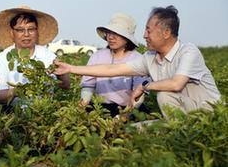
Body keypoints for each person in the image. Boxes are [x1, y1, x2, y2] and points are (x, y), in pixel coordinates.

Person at [54, 6, 221, 116]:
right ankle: (178, 136)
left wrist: (144, 87)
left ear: (166, 33)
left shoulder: (188, 52)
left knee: (164, 95)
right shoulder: (150, 57)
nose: (144, 35)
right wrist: (71, 68)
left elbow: (176, 84)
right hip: (183, 112)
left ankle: (180, 139)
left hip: (211, 114)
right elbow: (112, 70)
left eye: (149, 30)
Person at [0, 5, 70, 104]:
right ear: (12, 33)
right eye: (20, 30)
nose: (26, 34)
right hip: (14, 113)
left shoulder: (47, 56)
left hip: (45, 110)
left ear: (37, 32)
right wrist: (20, 90)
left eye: (31, 29)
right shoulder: (2, 59)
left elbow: (66, 85)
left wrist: (62, 72)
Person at [80, 13, 148, 117]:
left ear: (127, 38)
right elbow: (88, 86)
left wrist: (124, 116)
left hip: (127, 108)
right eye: (109, 33)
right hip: (101, 108)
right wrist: (82, 108)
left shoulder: (137, 59)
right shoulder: (97, 56)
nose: (111, 37)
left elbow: (139, 95)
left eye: (116, 33)